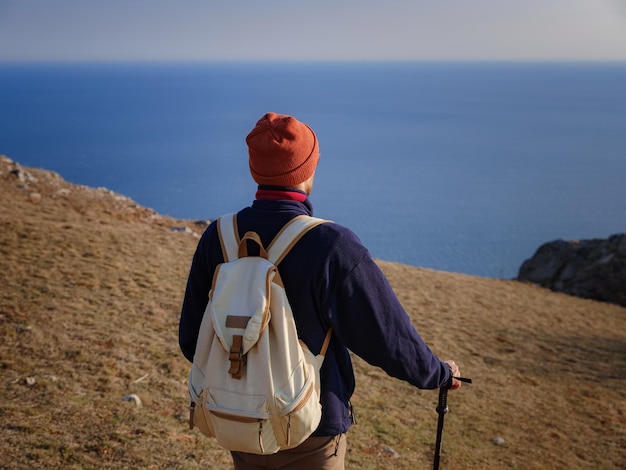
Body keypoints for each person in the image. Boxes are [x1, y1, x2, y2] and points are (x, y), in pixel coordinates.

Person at [179, 112, 462, 470]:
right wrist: (437, 373)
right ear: (307, 169)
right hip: (310, 430)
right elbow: (386, 337)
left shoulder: (217, 238)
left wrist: (248, 387)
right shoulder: (332, 245)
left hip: (237, 422)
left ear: (255, 169)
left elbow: (192, 340)